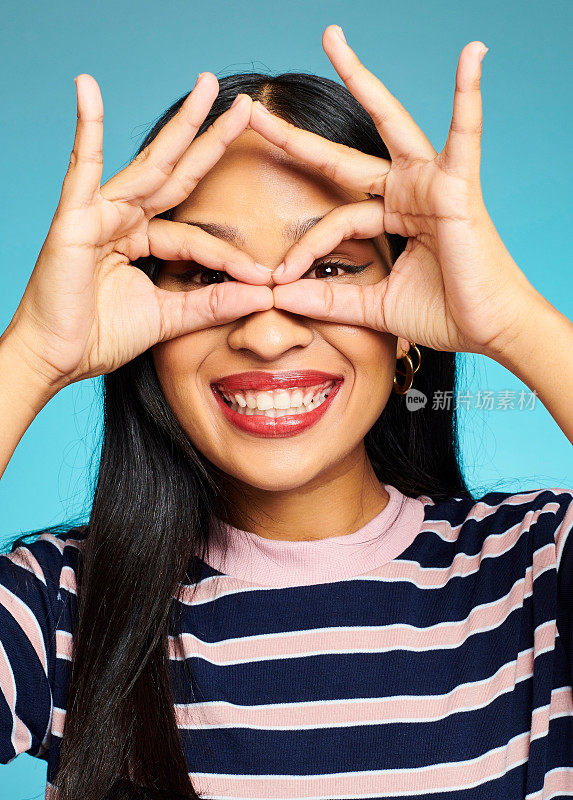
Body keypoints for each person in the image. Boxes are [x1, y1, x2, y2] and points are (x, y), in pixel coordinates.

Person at [0, 22, 571, 800]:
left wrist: (510, 321)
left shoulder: (535, 567)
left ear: (404, 327)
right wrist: (33, 353)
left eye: (330, 268)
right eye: (205, 274)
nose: (267, 334)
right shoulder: (59, 608)